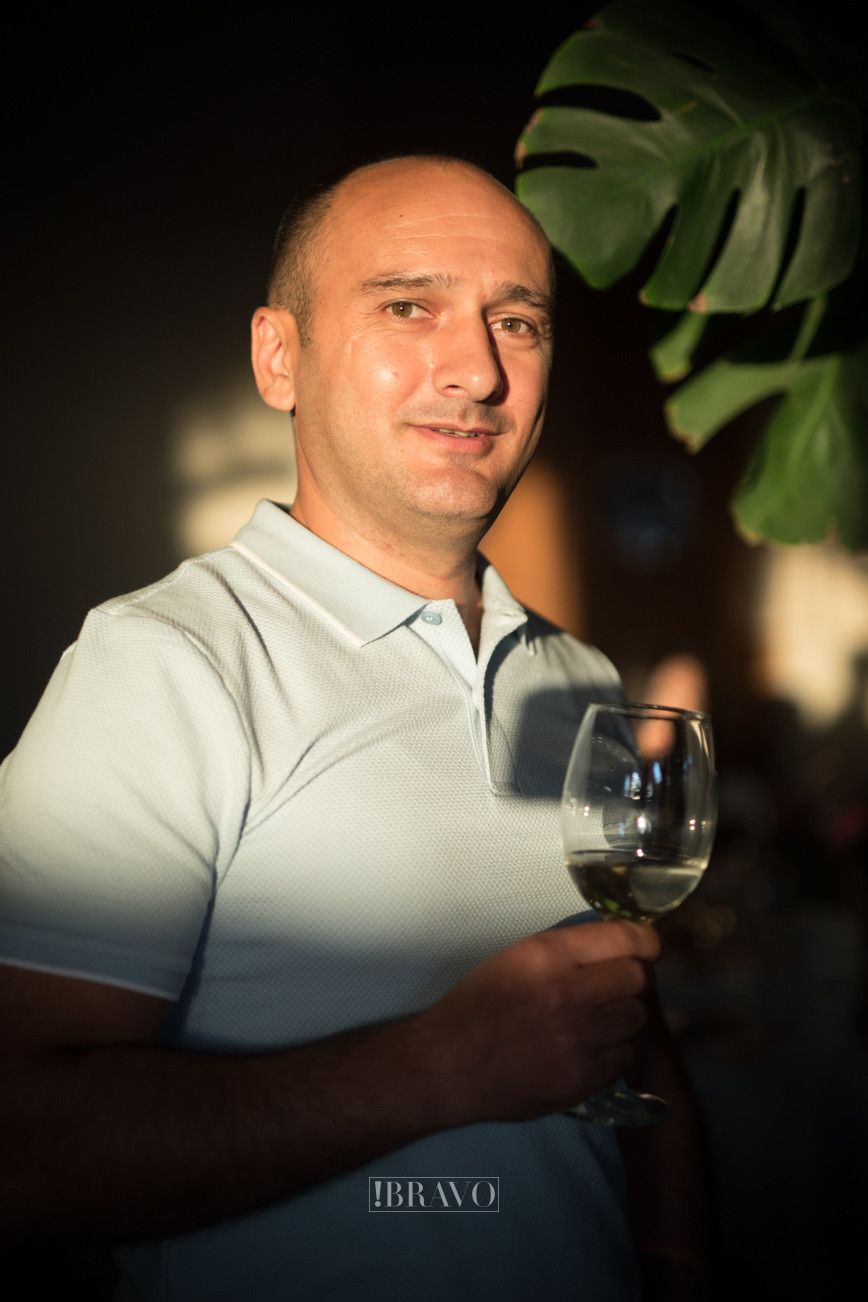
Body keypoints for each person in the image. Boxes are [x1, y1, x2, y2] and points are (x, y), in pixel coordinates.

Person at [0, 155, 713, 1300]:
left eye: (517, 323)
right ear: (278, 358)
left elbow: (627, 1020)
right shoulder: (168, 663)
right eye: (407, 307)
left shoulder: (576, 678)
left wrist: (674, 1260)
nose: (477, 370)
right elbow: (23, 1149)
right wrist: (432, 1070)